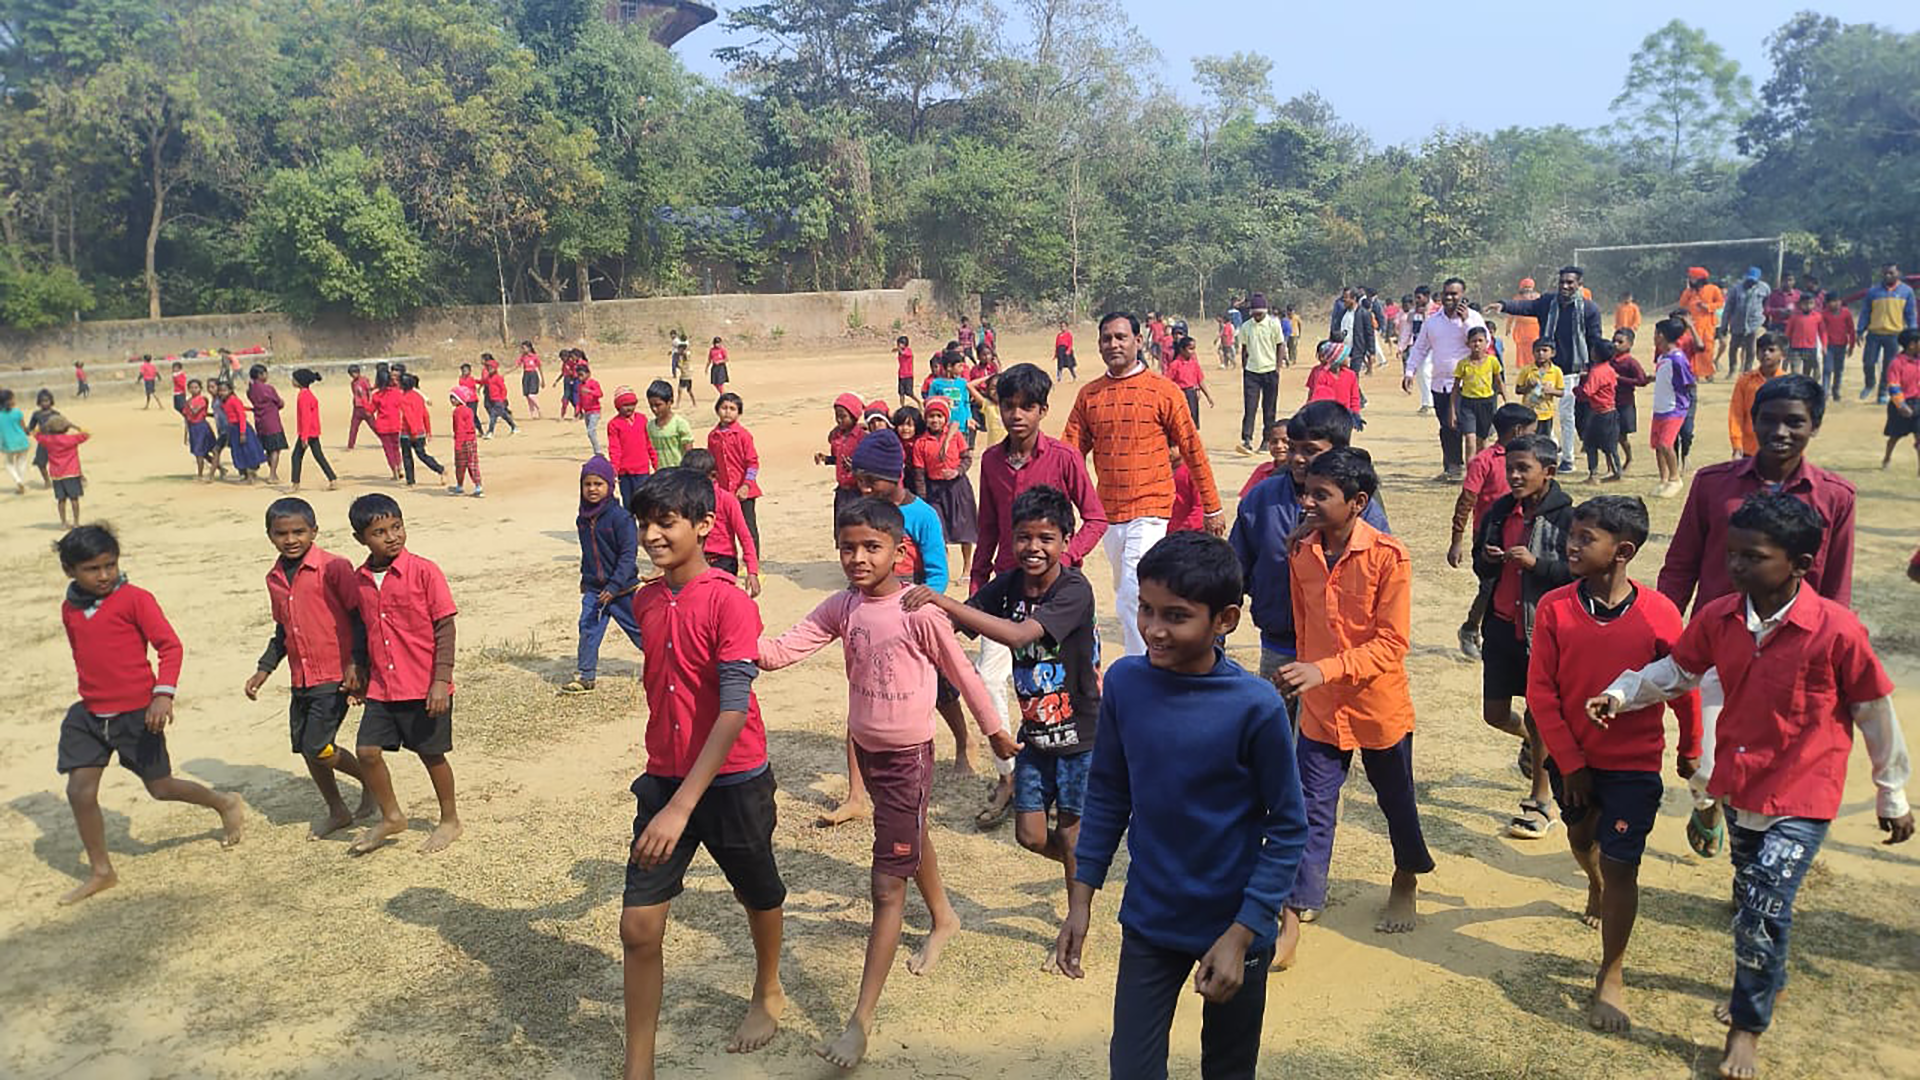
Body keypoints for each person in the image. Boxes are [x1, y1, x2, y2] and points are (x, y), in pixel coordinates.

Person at [1592, 492, 1911, 1080]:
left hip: (1804, 793)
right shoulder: (1718, 618)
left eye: (1753, 557)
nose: (1736, 567)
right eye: (1732, 554)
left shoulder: (1837, 631)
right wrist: (1622, 691)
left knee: (1763, 905)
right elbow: (1679, 672)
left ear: (1800, 563)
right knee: (1754, 897)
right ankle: (1771, 978)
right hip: (1740, 787)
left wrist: (1893, 793)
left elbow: (1873, 710)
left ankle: (1746, 1026)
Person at [758, 495, 1015, 1070]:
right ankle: (945, 915)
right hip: (870, 756)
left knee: (884, 887)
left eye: (870, 547)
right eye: (847, 547)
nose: (857, 557)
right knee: (908, 834)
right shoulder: (842, 607)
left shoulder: (920, 612)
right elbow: (777, 652)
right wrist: (725, 640)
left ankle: (860, 1022)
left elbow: (962, 671)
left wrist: (995, 730)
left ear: (900, 552)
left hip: (906, 760)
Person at [1054, 531, 1306, 1080]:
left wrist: (1244, 932)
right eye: (1145, 609)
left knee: (1228, 1069)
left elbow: (1288, 828)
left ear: (1226, 620)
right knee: (1133, 1068)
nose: (1154, 629)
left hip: (1236, 921)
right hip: (1152, 917)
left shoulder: (1255, 707)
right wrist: (1081, 899)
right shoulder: (1125, 682)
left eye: (1176, 615)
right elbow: (1108, 795)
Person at [621, 467, 787, 1080]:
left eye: (666, 523)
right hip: (664, 778)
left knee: (757, 890)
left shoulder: (729, 600)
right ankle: (638, 1066)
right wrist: (670, 797)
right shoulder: (644, 600)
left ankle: (767, 989)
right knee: (639, 926)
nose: (653, 535)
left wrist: (682, 806)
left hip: (732, 779)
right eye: (645, 524)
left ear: (704, 526)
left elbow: (733, 708)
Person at [1657, 374, 1855, 860]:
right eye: (1769, 419)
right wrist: (1664, 626)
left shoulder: (1834, 496)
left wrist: (1833, 661)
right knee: (1705, 764)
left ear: (1815, 426)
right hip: (1717, 645)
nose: (1781, 431)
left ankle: (1754, 875)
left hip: (1792, 654)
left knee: (1774, 771)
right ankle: (1708, 804)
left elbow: (1836, 586)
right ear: (1753, 421)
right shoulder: (1713, 484)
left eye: (1795, 422)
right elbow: (1681, 563)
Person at [1527, 495, 1701, 1033]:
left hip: (1634, 764)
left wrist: (1690, 747)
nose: (1570, 545)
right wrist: (1571, 761)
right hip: (1572, 762)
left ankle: (1611, 971)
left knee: (1624, 863)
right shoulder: (1555, 607)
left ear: (1622, 551)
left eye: (1584, 538)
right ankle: (1593, 881)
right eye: (1571, 534)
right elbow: (1540, 693)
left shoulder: (1660, 613)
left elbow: (1683, 685)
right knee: (1583, 844)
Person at [1270, 447, 1431, 970]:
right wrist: (1304, 671)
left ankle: (1405, 878)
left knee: (1396, 801)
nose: (1307, 502)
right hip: (1319, 707)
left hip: (1377, 706)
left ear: (1358, 502)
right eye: (1305, 492)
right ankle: (1299, 904)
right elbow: (1303, 625)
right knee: (1308, 806)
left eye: (1321, 495)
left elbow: (1392, 644)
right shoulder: (1301, 552)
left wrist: (1323, 669)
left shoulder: (1390, 556)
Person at [910, 482, 1098, 893]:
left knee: (1069, 834)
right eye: (1024, 537)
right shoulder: (1010, 583)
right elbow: (959, 623)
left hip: (1081, 737)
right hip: (1034, 735)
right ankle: (1082, 869)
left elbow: (1019, 637)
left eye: (1046, 539)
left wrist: (944, 602)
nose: (1034, 547)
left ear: (1066, 541)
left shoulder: (1074, 590)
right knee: (1029, 836)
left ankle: (1075, 922)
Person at [53, 524, 248, 906]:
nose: (105, 574)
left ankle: (224, 802)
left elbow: (169, 646)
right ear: (70, 570)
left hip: (138, 715)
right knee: (79, 791)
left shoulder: (135, 599)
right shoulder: (70, 608)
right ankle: (102, 871)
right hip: (89, 715)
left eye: (110, 565)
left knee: (161, 788)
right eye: (93, 568)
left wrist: (162, 695)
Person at [968, 364, 1108, 824]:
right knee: (988, 681)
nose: (1016, 415)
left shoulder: (1065, 457)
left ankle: (1073, 778)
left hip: (1057, 597)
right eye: (1008, 406)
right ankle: (1010, 773)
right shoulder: (990, 461)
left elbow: (1095, 517)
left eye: (1027, 406)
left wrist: (1068, 562)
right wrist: (976, 588)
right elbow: (988, 526)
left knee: (1068, 684)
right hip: (1005, 592)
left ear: (1043, 410)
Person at [1061, 311, 1224, 658]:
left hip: (1151, 508)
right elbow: (1070, 456)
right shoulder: (1090, 395)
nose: (1114, 344)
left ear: (1138, 341)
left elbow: (1192, 449)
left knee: (1131, 596)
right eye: (1107, 338)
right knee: (1128, 590)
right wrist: (1058, 510)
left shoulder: (1164, 391)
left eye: (1121, 337)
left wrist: (1213, 506)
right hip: (1108, 514)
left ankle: (1142, 670)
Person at [1231, 401, 1390, 691]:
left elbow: (1376, 582)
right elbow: (1236, 569)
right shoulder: (1261, 500)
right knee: (1278, 729)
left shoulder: (1363, 508)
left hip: (1341, 652)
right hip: (1280, 644)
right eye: (1292, 448)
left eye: (1311, 450)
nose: (1297, 458)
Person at [243, 498, 376, 838]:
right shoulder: (274, 578)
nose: (291, 540)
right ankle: (337, 809)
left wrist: (356, 664)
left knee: (318, 746)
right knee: (306, 747)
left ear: (314, 531)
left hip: (334, 674)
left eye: (299, 532)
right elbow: (283, 630)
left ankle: (371, 780)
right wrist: (264, 669)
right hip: (301, 676)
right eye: (281, 533)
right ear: (269, 535)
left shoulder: (334, 567)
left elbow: (359, 617)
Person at [343, 492, 461, 855]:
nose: (392, 536)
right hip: (382, 685)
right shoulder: (359, 579)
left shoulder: (424, 571)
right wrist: (358, 668)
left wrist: (440, 681)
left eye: (397, 526)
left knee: (431, 753)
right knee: (366, 750)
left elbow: (445, 627)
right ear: (361, 538)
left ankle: (449, 820)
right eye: (380, 531)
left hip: (424, 683)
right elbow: (361, 628)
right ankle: (392, 816)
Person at [1472, 433, 1573, 840]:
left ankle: (1540, 802)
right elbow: (1481, 564)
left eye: (1523, 469)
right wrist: (1489, 558)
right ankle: (1535, 746)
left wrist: (1538, 565)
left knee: (1539, 713)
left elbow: (1579, 573)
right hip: (1500, 626)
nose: (1513, 475)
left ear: (1547, 472)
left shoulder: (1567, 518)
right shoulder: (1501, 510)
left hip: (1541, 634)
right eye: (1510, 468)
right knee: (1495, 714)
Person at [1488, 267, 1607, 471]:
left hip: (1573, 371)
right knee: (1540, 414)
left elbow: (1594, 339)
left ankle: (1568, 460)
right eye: (1562, 282)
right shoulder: (1547, 303)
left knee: (1567, 416)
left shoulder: (1589, 309)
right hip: (1545, 369)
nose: (1565, 286)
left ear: (1579, 284)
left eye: (1570, 282)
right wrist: (1504, 305)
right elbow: (1526, 306)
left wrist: (1593, 367)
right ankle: (1549, 452)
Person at [1449, 404, 1539, 659]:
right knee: (1490, 586)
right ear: (1519, 430)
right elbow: (1466, 500)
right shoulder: (1484, 461)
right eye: (1531, 431)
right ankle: (1470, 629)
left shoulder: (1528, 461)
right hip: (1490, 536)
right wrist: (1457, 541)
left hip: (1522, 531)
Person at [564, 457, 644, 695]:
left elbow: (628, 555)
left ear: (610, 485)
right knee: (588, 628)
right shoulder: (583, 519)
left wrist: (615, 584)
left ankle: (666, 666)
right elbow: (588, 552)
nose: (592, 489)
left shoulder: (621, 518)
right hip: (595, 590)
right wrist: (585, 578)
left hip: (623, 590)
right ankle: (586, 676)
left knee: (640, 631)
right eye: (587, 484)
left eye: (598, 484)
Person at [1403, 278, 1484, 478]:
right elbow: (1420, 347)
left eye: (1454, 294)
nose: (1450, 297)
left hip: (1469, 384)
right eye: (1447, 293)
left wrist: (1466, 322)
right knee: (1447, 428)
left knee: (1471, 430)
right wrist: (1409, 372)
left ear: (1462, 295)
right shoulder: (1433, 322)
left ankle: (1477, 471)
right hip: (1440, 384)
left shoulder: (1473, 318)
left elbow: (1483, 343)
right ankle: (1453, 468)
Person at [681, 448, 762, 595]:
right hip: (696, 560)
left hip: (724, 561)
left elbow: (744, 536)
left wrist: (752, 571)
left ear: (713, 476)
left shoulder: (727, 500)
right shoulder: (685, 501)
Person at [914, 397, 978, 569]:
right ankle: (945, 566)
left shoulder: (955, 436)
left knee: (964, 528)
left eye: (939, 416)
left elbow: (966, 458)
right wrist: (923, 498)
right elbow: (919, 473)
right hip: (935, 491)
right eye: (931, 416)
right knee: (939, 530)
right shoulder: (920, 443)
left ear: (945, 418)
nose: (935, 420)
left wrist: (957, 471)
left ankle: (967, 567)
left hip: (958, 487)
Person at [1646, 319, 1697, 498]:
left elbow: (1689, 382)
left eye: (1655, 334)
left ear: (1661, 336)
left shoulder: (1678, 359)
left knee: (1665, 444)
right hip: (1659, 407)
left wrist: (1684, 403)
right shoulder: (1662, 357)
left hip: (1674, 409)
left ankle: (1675, 479)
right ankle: (1663, 479)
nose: (1654, 338)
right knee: (1657, 446)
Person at [1235, 294, 1287, 455]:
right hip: (1252, 372)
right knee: (1250, 407)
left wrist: (1278, 367)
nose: (1257, 316)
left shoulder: (1273, 324)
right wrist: (1245, 367)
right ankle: (1247, 440)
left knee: (1269, 408)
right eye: (1255, 313)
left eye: (1260, 313)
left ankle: (1266, 440)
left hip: (1270, 371)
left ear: (1265, 312)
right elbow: (1244, 349)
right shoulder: (1246, 326)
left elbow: (1280, 345)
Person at [1860, 263, 1918, 402]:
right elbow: (1865, 312)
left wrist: (1914, 333)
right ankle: (1870, 383)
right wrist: (1860, 330)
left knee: (1889, 365)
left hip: (1894, 334)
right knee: (1868, 362)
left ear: (1898, 273)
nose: (1888, 276)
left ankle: (1882, 393)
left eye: (1891, 273)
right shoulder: (1873, 292)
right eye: (1885, 273)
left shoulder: (1907, 291)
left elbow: (1910, 314)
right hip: (1874, 333)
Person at [1452, 326, 1506, 460]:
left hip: (1486, 404)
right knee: (1470, 440)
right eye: (1473, 341)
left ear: (1486, 343)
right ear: (1468, 344)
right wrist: (1453, 411)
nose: (1477, 344)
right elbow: (1455, 389)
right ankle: (1470, 474)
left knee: (1482, 442)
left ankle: (1481, 472)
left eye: (1480, 341)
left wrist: (1506, 400)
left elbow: (1499, 382)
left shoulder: (1492, 361)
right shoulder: (1463, 364)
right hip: (1468, 404)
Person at [1729, 335, 1785, 458]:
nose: (1766, 353)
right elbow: (1736, 414)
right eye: (1762, 350)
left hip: (1779, 449)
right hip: (1750, 449)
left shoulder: (1788, 383)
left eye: (1771, 350)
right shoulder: (1745, 381)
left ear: (1782, 354)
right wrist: (1737, 445)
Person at [815, 391, 867, 523]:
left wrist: (855, 467)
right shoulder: (837, 437)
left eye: (843, 416)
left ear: (854, 416)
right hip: (842, 491)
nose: (839, 420)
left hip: (858, 490)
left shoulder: (862, 437)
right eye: (837, 416)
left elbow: (869, 463)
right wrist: (826, 459)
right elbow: (839, 459)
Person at [1578, 342, 1624, 483]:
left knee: (1591, 444)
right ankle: (1617, 472)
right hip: (1610, 411)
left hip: (1599, 413)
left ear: (1595, 354)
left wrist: (1576, 389)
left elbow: (1587, 392)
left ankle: (1594, 474)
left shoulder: (1597, 371)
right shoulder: (1609, 369)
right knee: (1611, 445)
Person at [289, 369, 337, 492]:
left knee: (296, 456)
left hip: (308, 431)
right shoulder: (307, 394)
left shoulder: (303, 396)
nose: (292, 381)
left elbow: (306, 417)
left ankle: (295, 484)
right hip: (313, 430)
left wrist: (304, 436)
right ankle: (332, 479)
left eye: (294, 379)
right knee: (318, 456)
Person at [1881, 328, 1920, 474]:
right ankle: (1887, 457)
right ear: (1911, 345)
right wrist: (1901, 405)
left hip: (1918, 403)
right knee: (1895, 437)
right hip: (1901, 406)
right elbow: (1893, 386)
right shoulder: (1897, 363)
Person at [1609, 328, 1648, 474]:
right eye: (1614, 340)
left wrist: (1620, 379)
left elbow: (1642, 380)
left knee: (1622, 436)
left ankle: (1629, 458)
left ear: (1630, 344)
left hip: (1625, 403)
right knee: (1609, 435)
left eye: (1620, 342)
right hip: (1609, 402)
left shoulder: (1631, 363)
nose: (1615, 344)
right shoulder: (1609, 359)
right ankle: (1612, 465)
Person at [395, 373, 445, 487]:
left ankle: (411, 481)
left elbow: (408, 417)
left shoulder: (403, 399)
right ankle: (439, 469)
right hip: (420, 431)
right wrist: (428, 431)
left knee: (407, 457)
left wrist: (413, 432)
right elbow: (425, 414)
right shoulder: (418, 397)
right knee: (422, 455)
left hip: (407, 433)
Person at [1676, 268, 1725, 382]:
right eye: (1690, 278)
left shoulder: (1713, 289)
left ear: (1700, 279)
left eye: (1693, 278)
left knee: (1707, 349)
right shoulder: (1689, 291)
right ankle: (1694, 373)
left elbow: (1720, 303)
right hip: (1692, 326)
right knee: (1692, 349)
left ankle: (1708, 373)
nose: (1691, 280)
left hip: (1708, 325)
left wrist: (1707, 307)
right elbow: (1682, 305)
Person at [219, 379, 268, 483]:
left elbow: (241, 416)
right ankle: (247, 475)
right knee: (239, 452)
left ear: (230, 390)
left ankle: (250, 477)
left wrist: (242, 432)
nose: (222, 393)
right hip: (233, 429)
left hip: (240, 428)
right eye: (220, 390)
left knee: (247, 451)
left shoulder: (233, 400)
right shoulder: (225, 401)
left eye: (224, 390)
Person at [247, 365, 288, 485]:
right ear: (260, 375)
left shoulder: (251, 390)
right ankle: (272, 474)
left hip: (260, 422)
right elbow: (279, 403)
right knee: (275, 449)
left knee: (265, 446)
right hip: (272, 421)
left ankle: (253, 469)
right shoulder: (268, 388)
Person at [1303, 340, 1361, 416]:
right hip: (1327, 415)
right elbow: (1317, 397)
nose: (1348, 359)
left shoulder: (1351, 375)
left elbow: (1354, 398)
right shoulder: (1321, 374)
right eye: (1345, 356)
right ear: (1337, 358)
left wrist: (1355, 415)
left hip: (1345, 415)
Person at [644, 379, 693, 468]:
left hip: (678, 473)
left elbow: (689, 454)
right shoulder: (650, 426)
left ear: (670, 402)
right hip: (660, 474)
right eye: (651, 405)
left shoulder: (680, 424)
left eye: (658, 405)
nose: (654, 409)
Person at [1164, 336, 1213, 424]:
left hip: (1192, 395)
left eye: (1194, 349)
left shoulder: (1194, 364)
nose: (1193, 351)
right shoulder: (1175, 365)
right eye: (1190, 349)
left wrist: (1208, 396)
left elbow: (1200, 380)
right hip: (1180, 395)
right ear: (1182, 349)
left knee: (1193, 421)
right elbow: (1167, 383)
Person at [447, 385, 483, 497]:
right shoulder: (469, 410)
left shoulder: (458, 412)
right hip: (471, 441)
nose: (452, 400)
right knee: (473, 464)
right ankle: (478, 486)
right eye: (451, 397)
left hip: (463, 442)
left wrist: (458, 445)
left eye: (454, 398)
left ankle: (460, 486)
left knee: (460, 465)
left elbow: (460, 429)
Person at [1818, 293, 1856, 400]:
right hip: (1829, 345)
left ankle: (1836, 390)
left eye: (1838, 300)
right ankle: (1825, 392)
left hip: (1842, 344)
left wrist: (1851, 346)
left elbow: (1851, 330)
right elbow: (1823, 331)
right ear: (1827, 303)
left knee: (1839, 369)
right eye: (1832, 301)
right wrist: (1824, 345)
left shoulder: (1846, 313)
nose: (1836, 303)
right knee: (1827, 369)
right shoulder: (1824, 314)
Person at [1783, 292, 1824, 379]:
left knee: (1808, 373)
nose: (1808, 306)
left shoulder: (1817, 317)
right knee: (1795, 373)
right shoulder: (1794, 317)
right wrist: (1785, 347)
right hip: (1795, 349)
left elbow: (1822, 333)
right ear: (1800, 304)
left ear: (1814, 304)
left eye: (1811, 303)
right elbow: (1788, 333)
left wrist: (1824, 345)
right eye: (1805, 303)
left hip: (1810, 349)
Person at [0, 387, 30, 495]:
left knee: (8, 464)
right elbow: (23, 427)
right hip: (22, 441)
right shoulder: (17, 412)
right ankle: (21, 481)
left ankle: (18, 481)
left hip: (8, 444)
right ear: (10, 400)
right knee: (21, 462)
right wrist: (28, 432)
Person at [480, 355, 516, 437]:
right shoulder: (489, 378)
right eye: (488, 368)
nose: (489, 369)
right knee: (503, 415)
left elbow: (503, 389)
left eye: (491, 368)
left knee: (493, 416)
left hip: (498, 400)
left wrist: (502, 399)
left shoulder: (498, 378)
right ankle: (514, 427)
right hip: (491, 399)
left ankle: (490, 432)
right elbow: (483, 382)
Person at [576, 360, 605, 458]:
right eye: (578, 375)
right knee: (590, 433)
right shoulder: (580, 386)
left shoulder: (593, 383)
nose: (580, 377)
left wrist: (590, 391)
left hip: (595, 411)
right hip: (586, 412)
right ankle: (596, 450)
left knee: (591, 430)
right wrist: (578, 410)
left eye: (581, 375)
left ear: (588, 374)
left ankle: (598, 451)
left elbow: (600, 394)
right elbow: (579, 399)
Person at [1762, 270, 1799, 335]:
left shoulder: (1798, 295)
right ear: (1781, 281)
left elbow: (1803, 310)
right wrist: (1779, 311)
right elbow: (1766, 310)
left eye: (1790, 280)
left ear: (1794, 281)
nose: (1788, 283)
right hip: (1777, 325)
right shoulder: (1774, 294)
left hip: (1793, 326)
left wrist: (1793, 312)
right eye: (1785, 280)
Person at [517, 341, 544, 418]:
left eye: (524, 348)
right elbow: (517, 365)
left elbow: (540, 367)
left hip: (533, 375)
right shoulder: (523, 357)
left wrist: (542, 379)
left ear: (529, 348)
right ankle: (532, 413)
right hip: (526, 375)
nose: (522, 349)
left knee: (531, 395)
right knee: (527, 395)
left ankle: (539, 408)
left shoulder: (534, 356)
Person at [671, 329, 696, 406]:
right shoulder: (681, 356)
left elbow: (684, 361)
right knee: (680, 390)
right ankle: (678, 404)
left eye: (679, 349)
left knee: (689, 391)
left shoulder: (685, 356)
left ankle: (693, 402)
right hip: (683, 376)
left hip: (687, 376)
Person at [893, 336, 917, 403]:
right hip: (901, 375)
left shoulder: (908, 351)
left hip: (908, 375)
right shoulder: (900, 352)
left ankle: (918, 402)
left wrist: (898, 349)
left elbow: (905, 354)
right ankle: (902, 406)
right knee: (901, 393)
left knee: (909, 393)